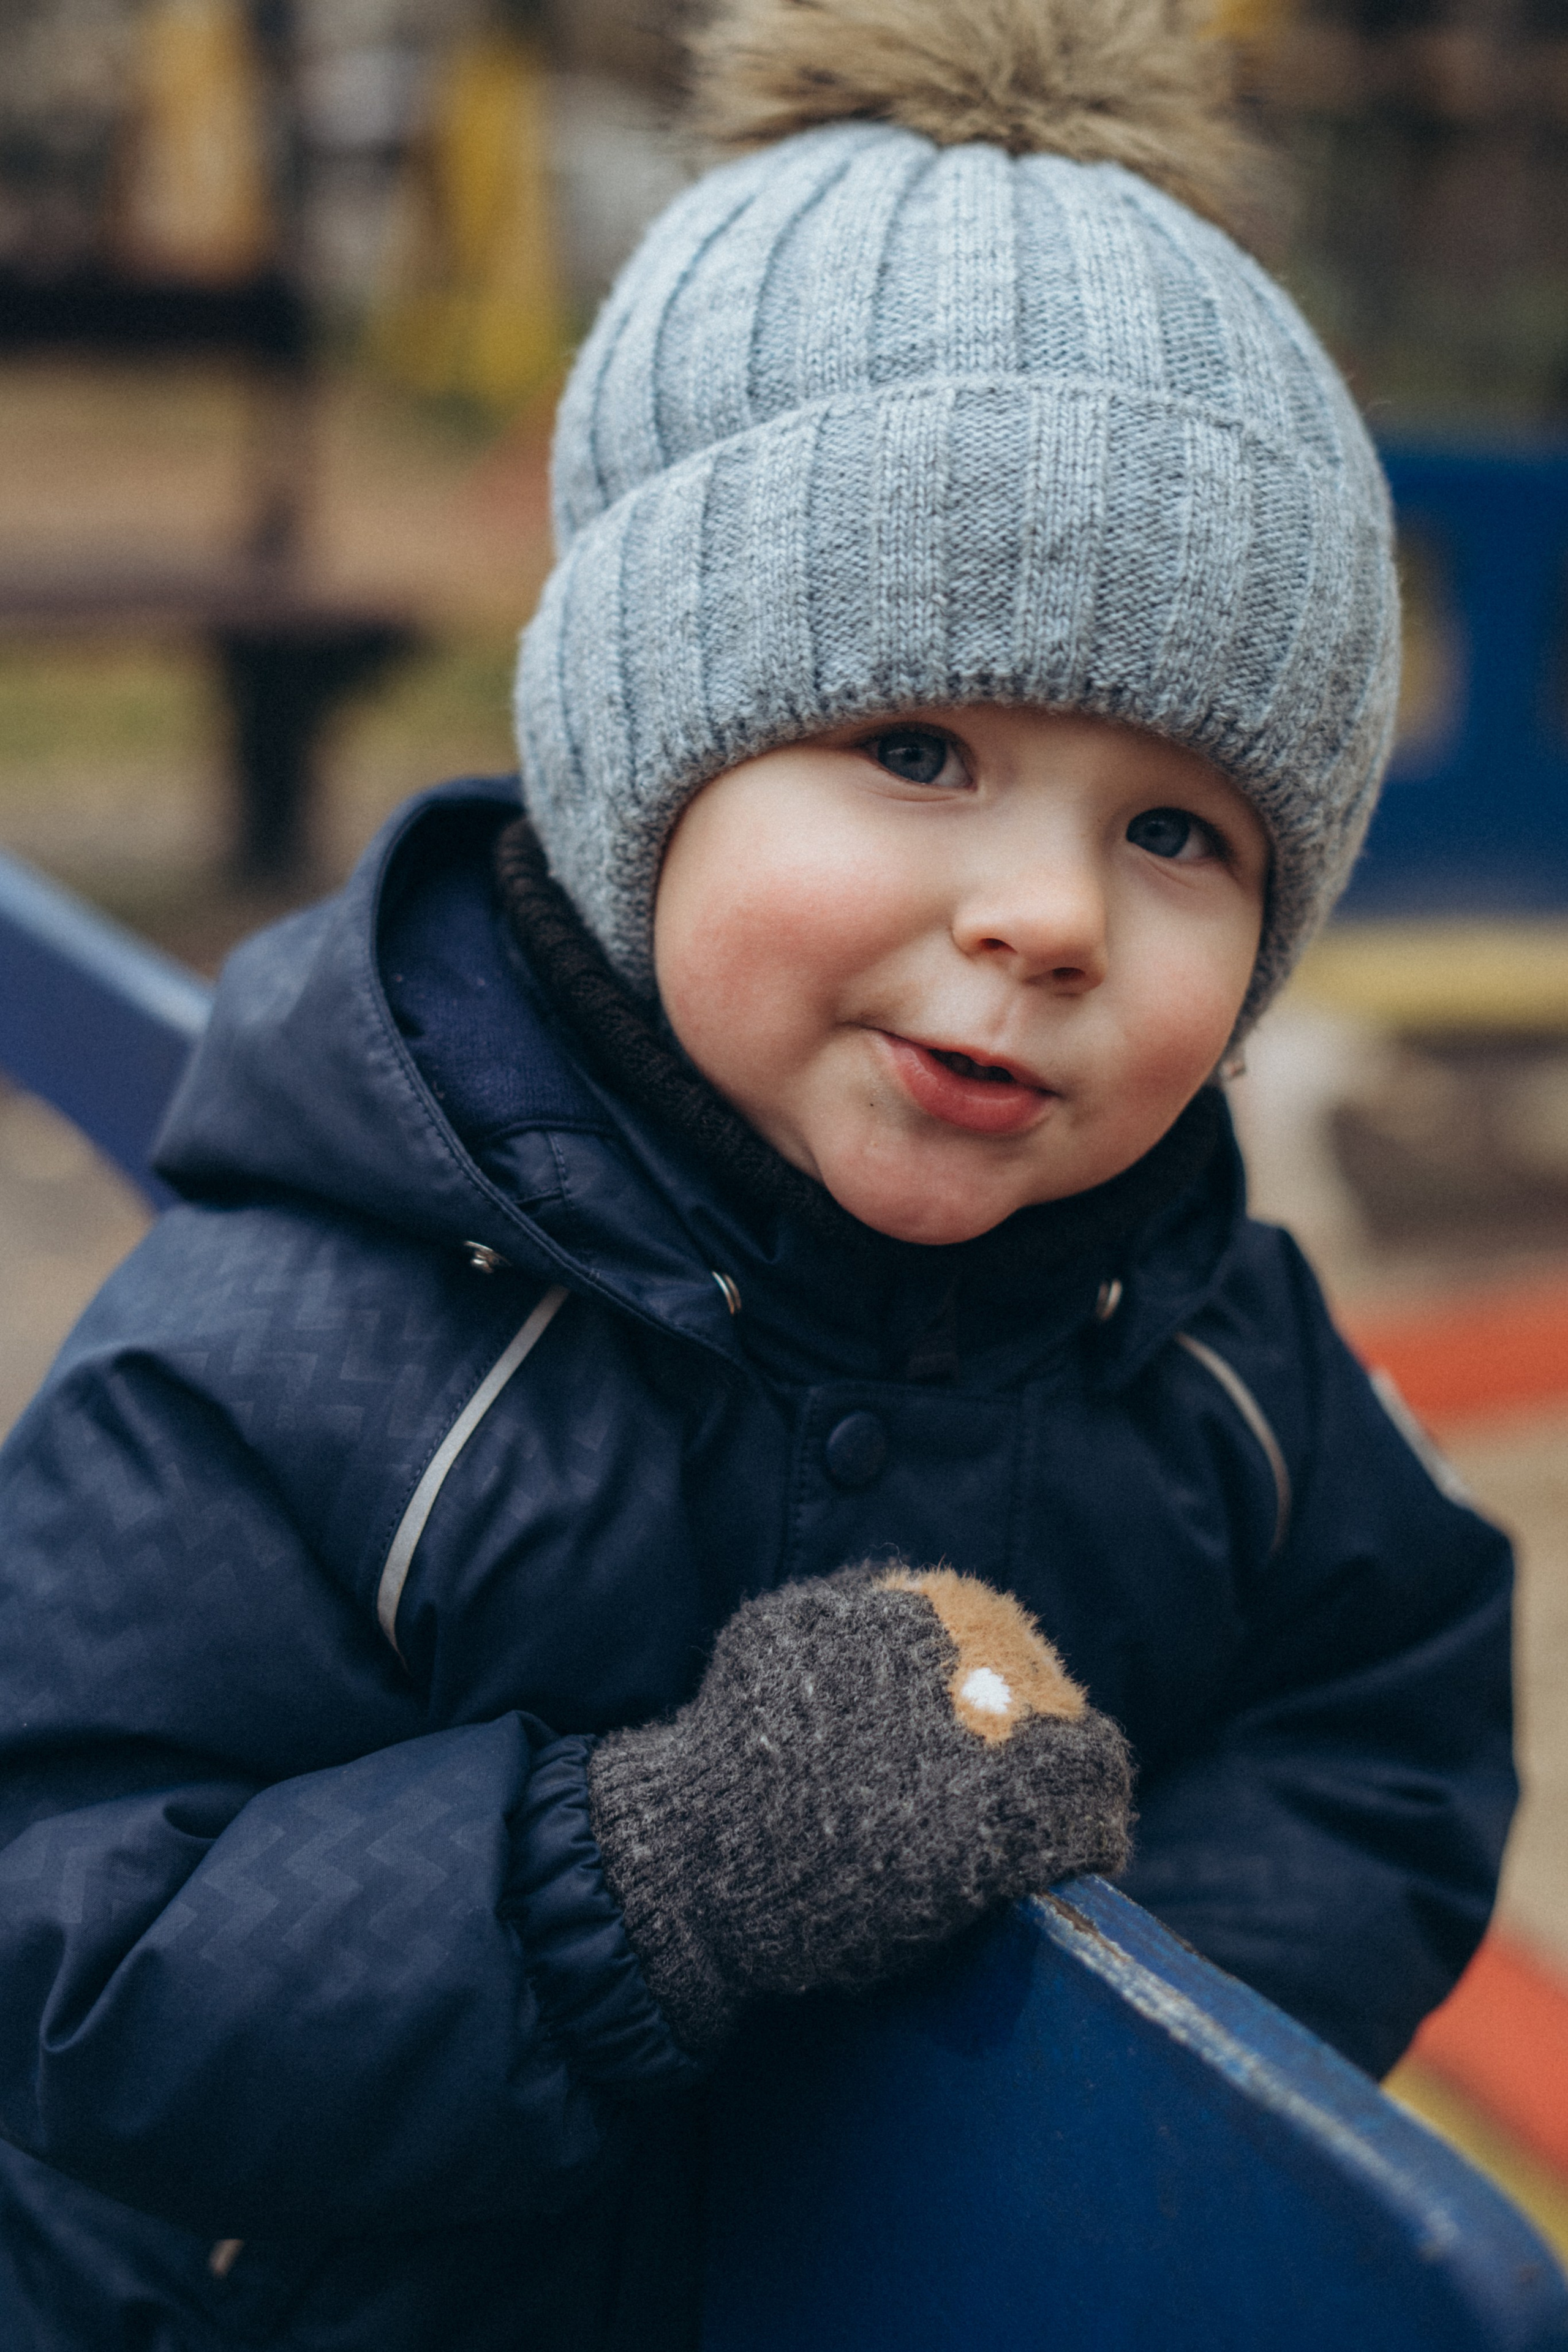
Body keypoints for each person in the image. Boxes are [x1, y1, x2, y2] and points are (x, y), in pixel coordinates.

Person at [0, 0, 1515, 2345]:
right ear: (643, 756)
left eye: (1178, 829)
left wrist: (1073, 2062)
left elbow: (1388, 1715)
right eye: (920, 744)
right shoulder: (313, 1347)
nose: (1052, 914)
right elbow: (69, 1945)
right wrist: (649, 1884)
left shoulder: (1207, 1346)